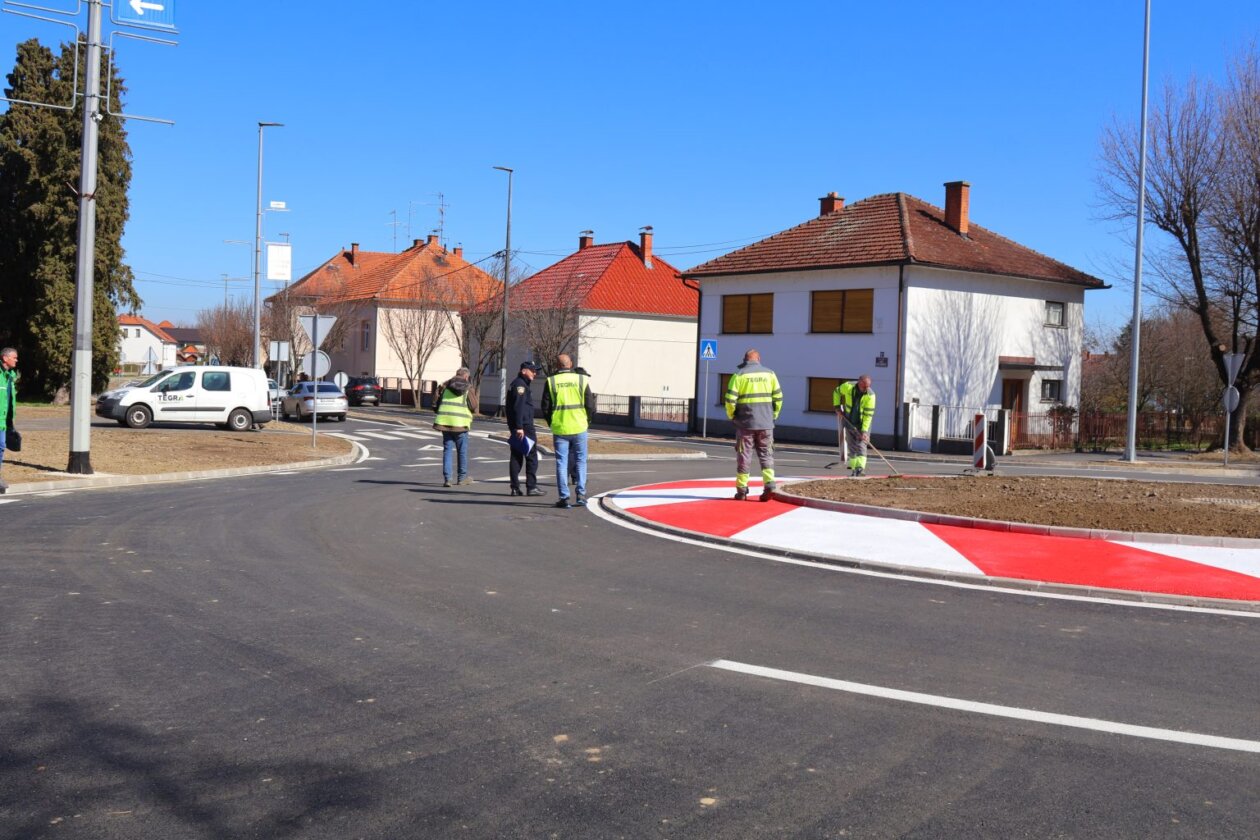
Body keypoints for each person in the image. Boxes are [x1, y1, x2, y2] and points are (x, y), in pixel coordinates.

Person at [724, 348, 782, 501]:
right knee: (766, 454)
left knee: (744, 455)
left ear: (745, 360)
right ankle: (769, 484)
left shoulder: (739, 375)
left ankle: (742, 490)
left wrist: (732, 416)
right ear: (759, 359)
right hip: (766, 423)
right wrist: (773, 415)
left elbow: (730, 400)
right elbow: (779, 397)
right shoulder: (770, 374)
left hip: (745, 424)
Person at [541, 353, 597, 509]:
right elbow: (590, 404)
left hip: (560, 428)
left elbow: (545, 406)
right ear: (570, 364)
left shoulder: (551, 381)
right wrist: (587, 421)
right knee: (580, 461)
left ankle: (564, 497)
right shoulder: (581, 379)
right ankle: (581, 494)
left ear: (557, 366)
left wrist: (552, 422)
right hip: (579, 426)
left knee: (561, 463)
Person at [506, 360, 545, 497]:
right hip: (524, 427)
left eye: (536, 370)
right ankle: (531, 487)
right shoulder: (520, 385)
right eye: (532, 370)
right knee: (531, 457)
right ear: (524, 371)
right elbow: (518, 407)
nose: (535, 373)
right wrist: (519, 427)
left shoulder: (520, 384)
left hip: (520, 426)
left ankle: (515, 488)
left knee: (516, 456)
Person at [433, 367, 474, 487]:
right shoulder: (468, 387)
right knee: (462, 451)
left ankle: (448, 479)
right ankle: (461, 478)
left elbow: (435, 403)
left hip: (445, 423)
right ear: (466, 376)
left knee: (447, 450)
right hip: (461, 424)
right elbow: (474, 405)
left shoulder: (444, 386)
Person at [834, 374, 876, 476]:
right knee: (851, 445)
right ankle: (853, 469)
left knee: (861, 444)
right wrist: (837, 407)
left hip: (862, 423)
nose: (866, 388)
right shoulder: (848, 387)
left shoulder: (870, 395)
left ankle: (860, 468)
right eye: (864, 386)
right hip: (849, 420)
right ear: (859, 382)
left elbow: (868, 415)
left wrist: (864, 431)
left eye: (868, 386)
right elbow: (836, 392)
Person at [0, 347, 16, 494]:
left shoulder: (10, 376)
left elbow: (10, 400)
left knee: (1, 447)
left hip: (3, 421)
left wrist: (10, 421)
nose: (16, 360)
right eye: (14, 357)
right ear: (5, 358)